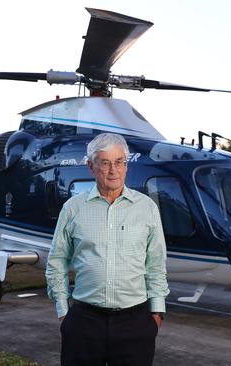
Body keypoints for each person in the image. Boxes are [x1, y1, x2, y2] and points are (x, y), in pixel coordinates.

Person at [45, 132, 170, 366]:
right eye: (105, 163)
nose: (114, 170)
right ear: (91, 167)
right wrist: (64, 311)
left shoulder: (147, 208)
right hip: (84, 323)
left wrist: (156, 315)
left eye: (120, 162)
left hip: (135, 323)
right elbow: (57, 260)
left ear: (126, 166)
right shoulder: (73, 209)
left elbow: (155, 264)